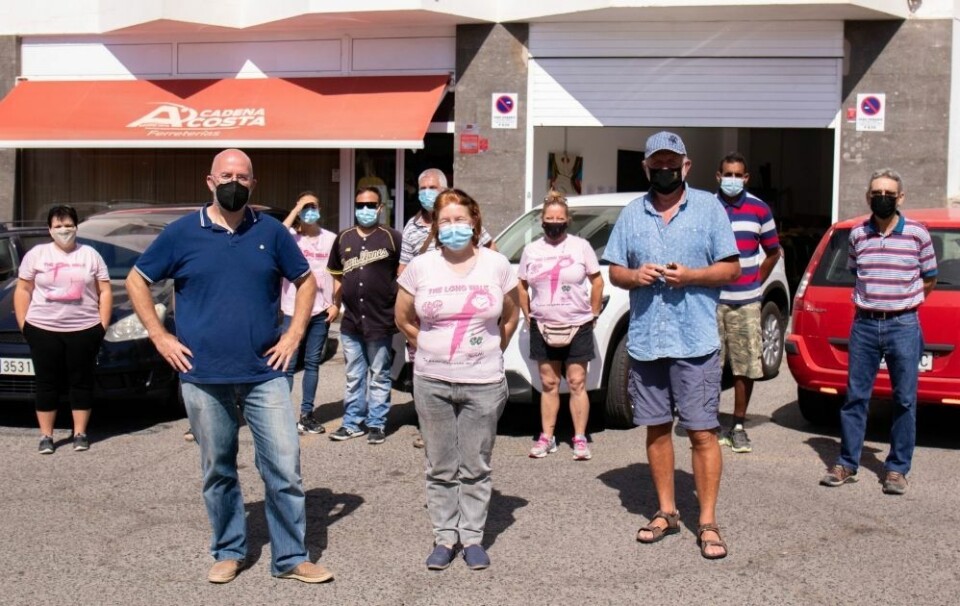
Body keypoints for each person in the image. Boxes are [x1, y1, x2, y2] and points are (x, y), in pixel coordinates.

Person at [125, 149, 333, 584]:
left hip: (265, 373)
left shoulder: (273, 233)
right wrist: (160, 337)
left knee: (283, 466)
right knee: (218, 469)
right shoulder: (182, 233)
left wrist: (293, 336)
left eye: (242, 176)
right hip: (204, 375)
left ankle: (291, 556)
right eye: (226, 175)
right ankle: (229, 549)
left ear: (253, 185)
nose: (233, 182)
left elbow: (307, 280)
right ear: (209, 181)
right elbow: (137, 280)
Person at [603, 131, 740, 560]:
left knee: (702, 432)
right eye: (656, 164)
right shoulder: (632, 213)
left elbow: (732, 269)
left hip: (694, 341)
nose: (664, 170)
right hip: (647, 342)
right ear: (646, 168)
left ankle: (708, 521)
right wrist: (635, 275)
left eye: (671, 163)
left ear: (686, 166)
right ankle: (666, 512)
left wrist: (693, 276)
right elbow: (614, 272)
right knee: (657, 429)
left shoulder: (710, 208)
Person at [395, 188, 520, 571]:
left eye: (460, 220)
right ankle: (444, 537)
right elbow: (403, 318)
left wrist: (493, 349)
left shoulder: (497, 264)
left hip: (483, 381)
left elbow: (511, 315)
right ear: (435, 225)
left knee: (476, 463)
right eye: (444, 220)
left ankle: (473, 538)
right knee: (440, 464)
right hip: (431, 380)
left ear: (475, 222)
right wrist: (430, 345)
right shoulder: (421, 267)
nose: (452, 227)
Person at [819, 168, 937, 495]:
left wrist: (904, 303)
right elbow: (858, 273)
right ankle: (847, 462)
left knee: (904, 399)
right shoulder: (858, 235)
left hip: (903, 324)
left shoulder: (918, 234)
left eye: (888, 193)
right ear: (868, 196)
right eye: (876, 193)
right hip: (865, 324)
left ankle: (897, 469)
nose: (881, 198)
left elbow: (929, 277)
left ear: (900, 198)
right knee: (856, 397)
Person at [399, 168, 496, 449]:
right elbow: (403, 268)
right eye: (423, 188)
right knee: (424, 368)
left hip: (467, 308)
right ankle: (429, 427)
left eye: (432, 187)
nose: (426, 193)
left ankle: (465, 423)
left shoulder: (463, 222)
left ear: (444, 189)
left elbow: (491, 250)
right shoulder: (412, 227)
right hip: (428, 314)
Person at [15, 205, 111, 454]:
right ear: (49, 229)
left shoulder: (90, 254)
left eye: (68, 225)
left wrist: (102, 325)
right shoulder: (37, 254)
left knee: (81, 382)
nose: (64, 230)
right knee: (46, 383)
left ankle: (80, 433)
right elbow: (23, 289)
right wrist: (25, 325)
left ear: (76, 227)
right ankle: (46, 436)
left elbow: (105, 290)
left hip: (84, 328)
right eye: (58, 226)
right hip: (43, 328)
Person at [518, 190, 603, 460]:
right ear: (541, 220)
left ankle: (579, 438)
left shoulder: (581, 246)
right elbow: (521, 285)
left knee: (577, 382)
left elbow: (597, 280)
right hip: (543, 325)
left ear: (567, 220)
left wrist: (594, 311)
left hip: (577, 324)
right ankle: (547, 437)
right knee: (549, 383)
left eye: (559, 218)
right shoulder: (531, 250)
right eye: (549, 218)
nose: (554, 222)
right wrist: (526, 311)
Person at [714, 152, 782, 453]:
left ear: (746, 178)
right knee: (708, 368)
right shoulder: (706, 208)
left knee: (745, 367)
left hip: (746, 303)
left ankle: (738, 425)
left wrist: (755, 280)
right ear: (718, 177)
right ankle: (708, 424)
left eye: (737, 174)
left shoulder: (759, 209)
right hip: (710, 303)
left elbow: (773, 251)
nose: (732, 179)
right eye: (727, 174)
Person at [326, 187, 401, 445]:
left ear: (380, 208)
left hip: (380, 319)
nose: (365, 210)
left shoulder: (392, 238)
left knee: (379, 374)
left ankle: (377, 423)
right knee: (354, 375)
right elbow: (336, 272)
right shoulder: (344, 237)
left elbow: (402, 274)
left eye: (371, 205)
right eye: (361, 205)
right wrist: (336, 302)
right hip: (351, 322)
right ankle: (351, 423)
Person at [281, 191, 339, 435]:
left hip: (320, 310)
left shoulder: (331, 239)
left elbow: (338, 273)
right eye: (306, 207)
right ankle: (281, 416)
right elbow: (278, 233)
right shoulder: (291, 238)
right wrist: (296, 209)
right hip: (292, 310)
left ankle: (306, 414)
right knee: (287, 362)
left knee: (312, 363)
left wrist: (336, 302)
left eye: (313, 206)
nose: (310, 210)